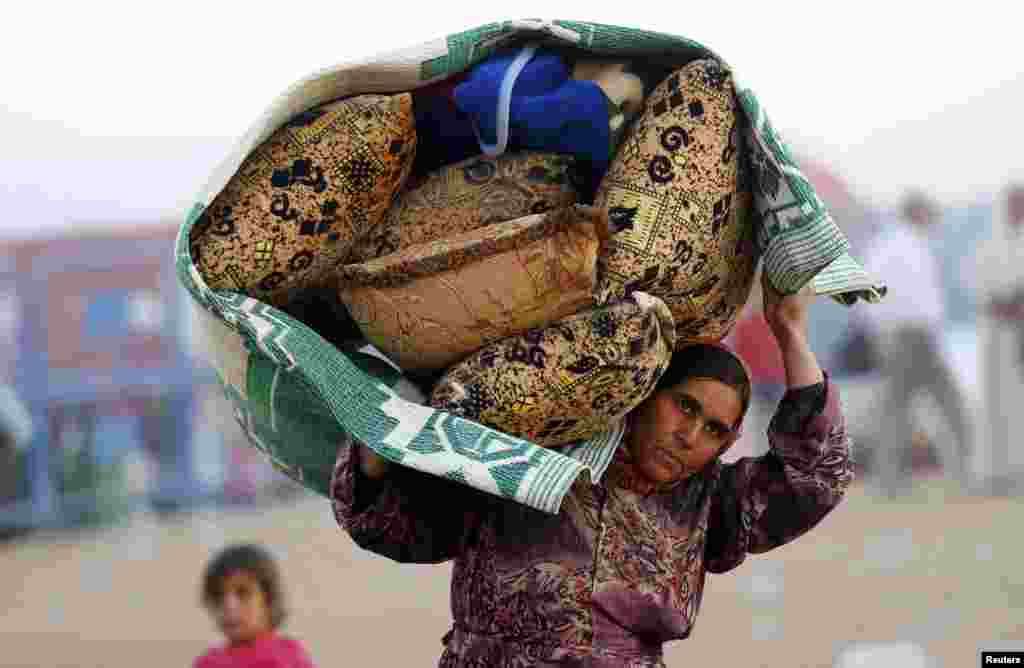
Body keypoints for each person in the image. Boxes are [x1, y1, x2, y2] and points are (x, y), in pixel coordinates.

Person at [332, 274, 853, 667]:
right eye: (685, 407)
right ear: (647, 393)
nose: (690, 436)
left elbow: (817, 476)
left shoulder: (709, 504)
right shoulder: (534, 451)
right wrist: (377, 456)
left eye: (715, 430)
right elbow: (407, 529)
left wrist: (788, 332)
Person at [858, 190, 971, 495]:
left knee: (900, 409)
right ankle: (963, 471)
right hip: (908, 336)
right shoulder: (898, 245)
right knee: (944, 404)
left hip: (911, 335)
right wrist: (884, 336)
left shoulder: (901, 244)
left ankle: (891, 481)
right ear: (917, 213)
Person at [972, 183, 1024, 495]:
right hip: (997, 334)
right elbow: (981, 291)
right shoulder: (990, 244)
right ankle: (994, 473)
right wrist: (1006, 305)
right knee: (995, 403)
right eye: (1015, 204)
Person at [195, 543, 315, 668]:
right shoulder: (209, 662)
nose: (229, 605)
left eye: (243, 593)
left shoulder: (289, 656)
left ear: (269, 599)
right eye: (219, 596)